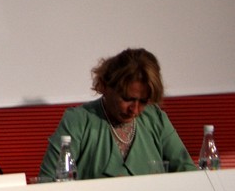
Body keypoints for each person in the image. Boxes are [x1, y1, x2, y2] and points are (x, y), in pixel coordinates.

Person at [38, 47, 196, 180]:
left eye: (143, 102)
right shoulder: (77, 121)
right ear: (106, 86)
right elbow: (49, 184)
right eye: (127, 99)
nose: (134, 110)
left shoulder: (156, 118)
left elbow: (191, 176)